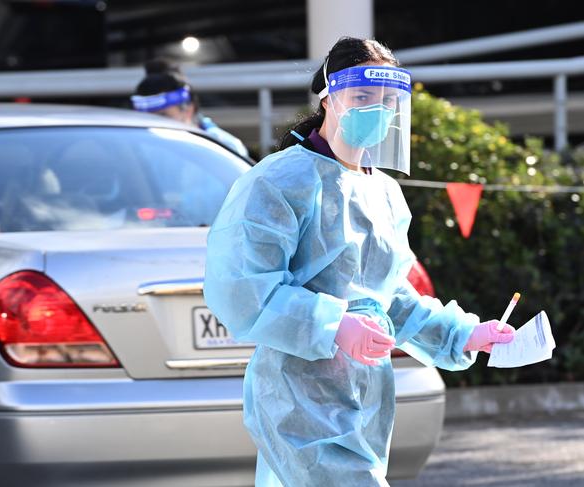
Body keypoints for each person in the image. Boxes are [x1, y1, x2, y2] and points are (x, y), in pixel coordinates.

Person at [203, 37, 516, 486]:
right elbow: (241, 289)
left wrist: (464, 334)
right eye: (364, 97)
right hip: (298, 394)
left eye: (388, 101)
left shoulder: (383, 191)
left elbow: (391, 296)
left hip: (366, 391)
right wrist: (332, 324)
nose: (378, 110)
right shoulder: (278, 181)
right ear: (329, 97)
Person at [131, 58, 249, 158]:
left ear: (188, 110)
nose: (153, 125)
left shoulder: (225, 148)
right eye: (147, 118)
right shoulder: (135, 150)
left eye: (163, 116)